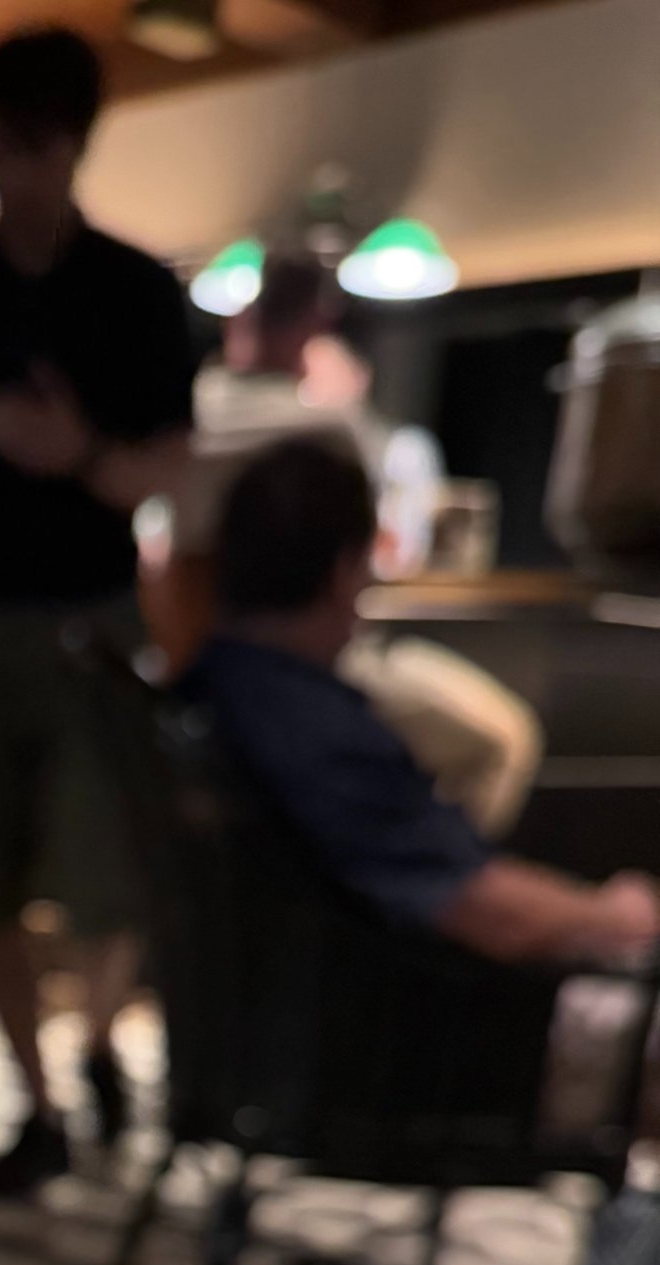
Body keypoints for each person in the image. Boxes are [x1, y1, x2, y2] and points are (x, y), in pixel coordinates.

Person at [0, 27, 195, 1190]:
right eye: (7, 145)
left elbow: (168, 467)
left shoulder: (137, 292)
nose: (24, 168)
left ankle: (101, 1043)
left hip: (98, 612)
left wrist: (78, 453)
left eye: (43, 143)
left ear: (77, 143)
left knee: (118, 870)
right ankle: (39, 1103)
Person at [184, 439, 660, 969]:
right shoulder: (317, 735)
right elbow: (483, 908)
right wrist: (612, 915)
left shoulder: (206, 689)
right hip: (359, 999)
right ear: (344, 572)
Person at [159, 255, 541, 836]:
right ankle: (426, 877)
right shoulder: (327, 428)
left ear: (237, 319)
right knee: (503, 739)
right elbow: (377, 554)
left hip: (203, 666)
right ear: (318, 323)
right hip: (303, 664)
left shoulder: (178, 420)